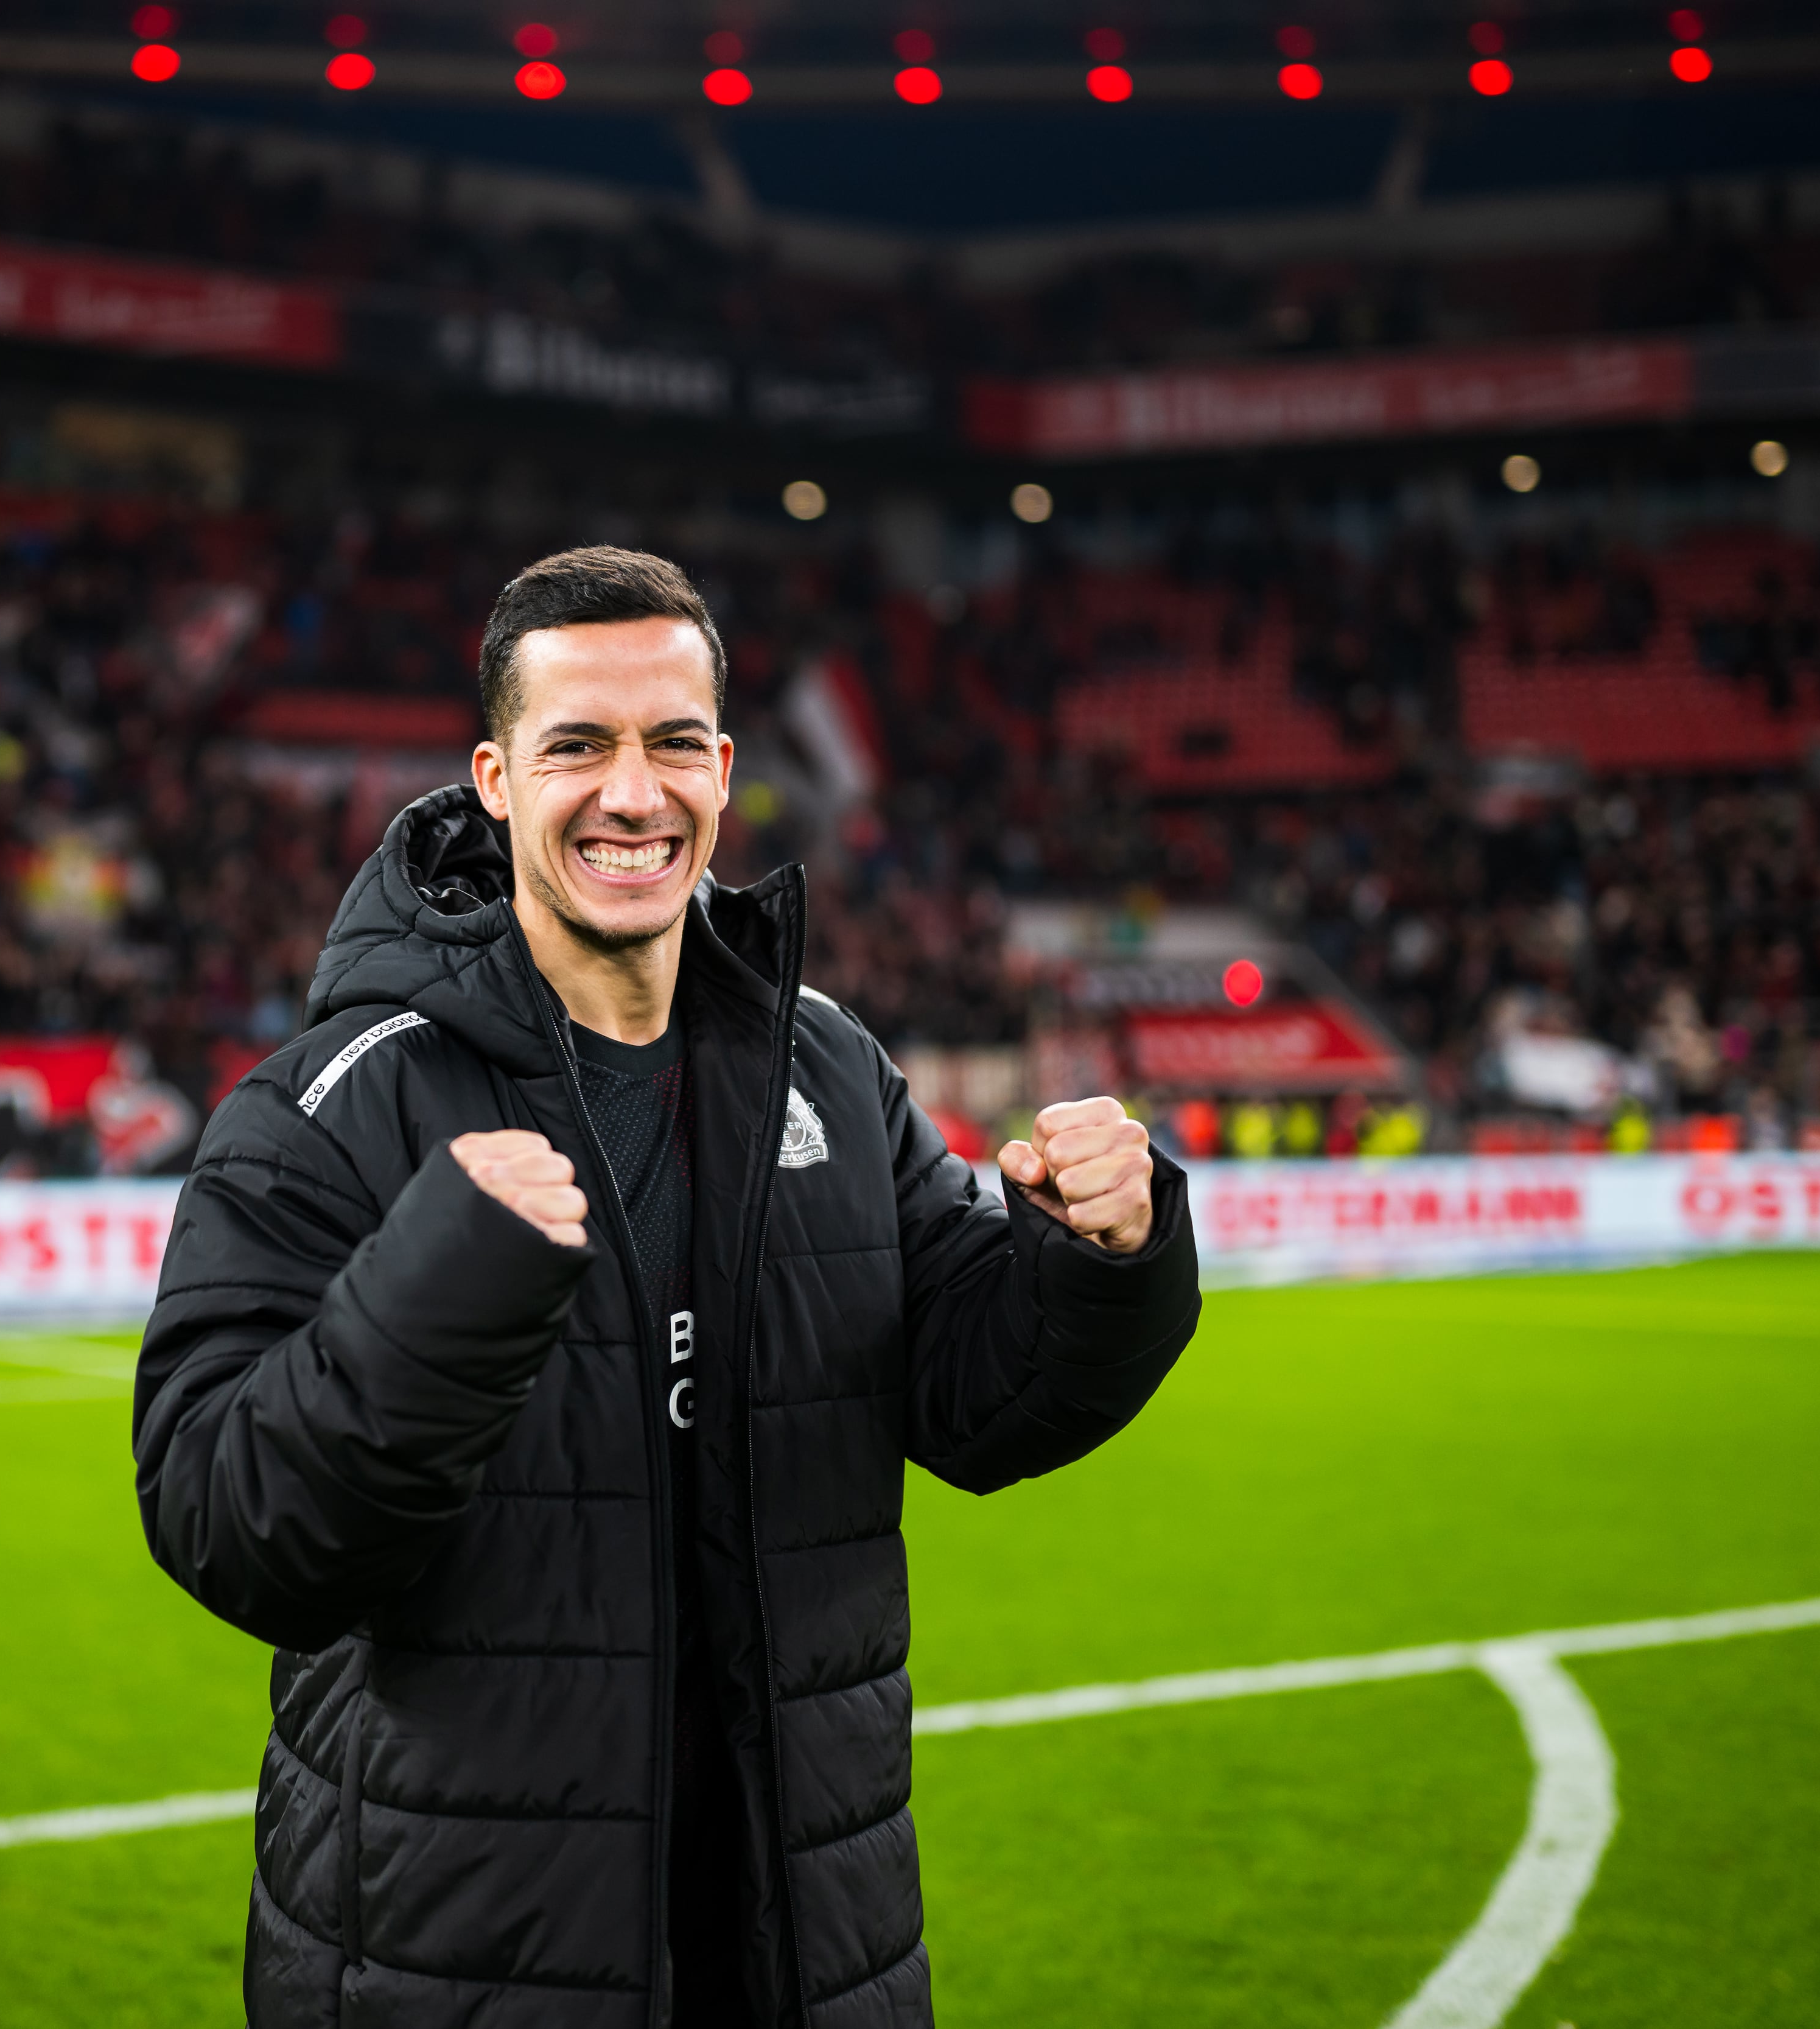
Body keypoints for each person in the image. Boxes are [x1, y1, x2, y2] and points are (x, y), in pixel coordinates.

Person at [135, 546, 1201, 2027]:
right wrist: (439, 1294)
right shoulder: (332, 1100)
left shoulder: (825, 1063)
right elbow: (228, 1522)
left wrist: (1104, 1256)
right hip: (461, 1964)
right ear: (495, 779)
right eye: (578, 744)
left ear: (724, 769)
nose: (631, 794)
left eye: (672, 743)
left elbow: (980, 1396)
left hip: (804, 1942)